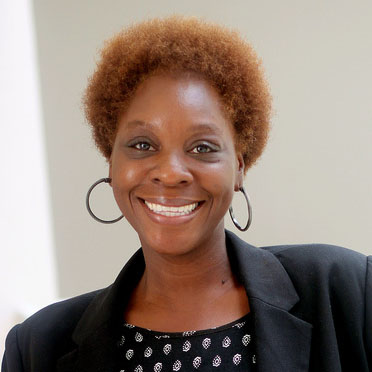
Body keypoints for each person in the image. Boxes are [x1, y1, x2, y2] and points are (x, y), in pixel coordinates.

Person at [2, 16, 371, 372]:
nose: (171, 173)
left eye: (202, 148)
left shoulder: (348, 292)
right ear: (110, 163)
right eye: (143, 144)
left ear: (240, 167)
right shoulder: (39, 348)